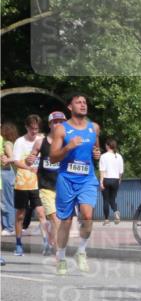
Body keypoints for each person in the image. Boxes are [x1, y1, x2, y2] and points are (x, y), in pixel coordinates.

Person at [48, 93, 102, 275]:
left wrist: (97, 154)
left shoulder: (94, 128)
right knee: (66, 220)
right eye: (78, 102)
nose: (83, 105)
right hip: (66, 178)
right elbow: (53, 157)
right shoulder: (61, 130)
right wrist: (68, 147)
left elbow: (96, 148)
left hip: (87, 178)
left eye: (85, 102)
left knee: (87, 216)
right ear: (70, 107)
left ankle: (81, 251)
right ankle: (61, 257)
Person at [11, 115, 48, 257]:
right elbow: (16, 161)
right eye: (31, 129)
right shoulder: (20, 142)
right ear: (26, 127)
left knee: (41, 213)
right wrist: (28, 167)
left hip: (38, 183)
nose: (34, 131)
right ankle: (19, 244)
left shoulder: (42, 140)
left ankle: (46, 242)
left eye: (36, 129)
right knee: (20, 215)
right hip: (22, 183)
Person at [31, 112, 66, 257]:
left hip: (63, 186)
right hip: (46, 187)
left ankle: (50, 240)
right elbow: (31, 158)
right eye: (55, 121)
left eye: (61, 122)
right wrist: (30, 160)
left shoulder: (66, 142)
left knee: (61, 221)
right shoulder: (41, 142)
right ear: (50, 124)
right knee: (55, 219)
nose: (58, 124)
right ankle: (59, 254)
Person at [98, 138, 124, 224]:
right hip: (115, 180)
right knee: (112, 199)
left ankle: (106, 219)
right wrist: (119, 180)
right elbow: (121, 171)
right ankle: (116, 211)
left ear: (108, 146)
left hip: (106, 179)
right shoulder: (119, 156)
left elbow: (102, 170)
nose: (105, 146)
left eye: (106, 145)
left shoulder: (103, 156)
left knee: (105, 200)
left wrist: (101, 182)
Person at [1, 122, 17, 235]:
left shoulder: (6, 144)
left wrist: (6, 160)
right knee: (7, 200)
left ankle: (9, 227)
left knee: (6, 201)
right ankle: (9, 226)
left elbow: (13, 158)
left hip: (6, 173)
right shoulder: (10, 143)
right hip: (8, 173)